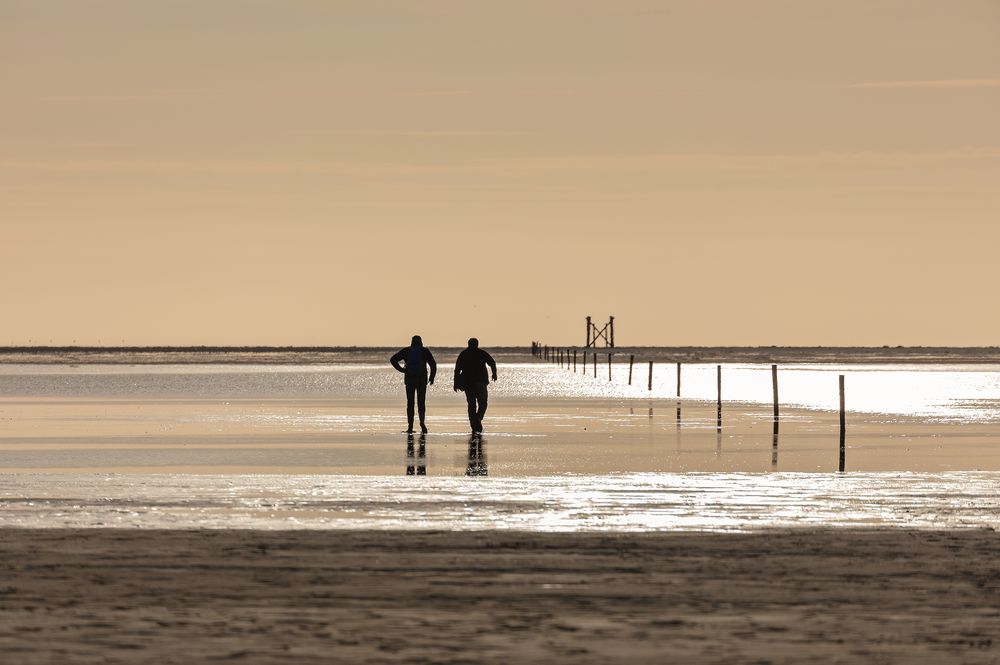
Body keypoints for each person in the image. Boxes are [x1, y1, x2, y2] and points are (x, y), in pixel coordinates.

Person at [390, 335, 436, 434]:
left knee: (410, 403)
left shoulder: (406, 351)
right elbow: (433, 364)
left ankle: (410, 426)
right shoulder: (424, 351)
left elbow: (393, 360)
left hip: (409, 378)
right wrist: (432, 377)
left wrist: (402, 370)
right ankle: (422, 423)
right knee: (421, 402)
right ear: (420, 342)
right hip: (422, 379)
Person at [453, 338, 497, 434]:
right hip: (481, 381)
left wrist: (456, 383)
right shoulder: (481, 353)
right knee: (483, 402)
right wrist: (494, 374)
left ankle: (473, 423)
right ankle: (478, 418)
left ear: (468, 344)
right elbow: (492, 363)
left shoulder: (463, 354)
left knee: (471, 404)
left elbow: (457, 370)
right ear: (477, 344)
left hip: (468, 383)